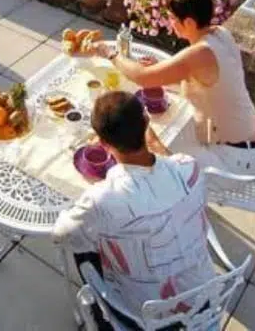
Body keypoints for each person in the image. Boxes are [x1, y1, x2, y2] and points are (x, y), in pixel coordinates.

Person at [53, 91, 214, 329]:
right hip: (204, 299)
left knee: (83, 245)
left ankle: (102, 320)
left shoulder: (101, 200)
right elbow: (167, 167)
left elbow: (60, 234)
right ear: (147, 124)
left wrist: (91, 203)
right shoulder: (189, 168)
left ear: (103, 144)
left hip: (148, 318)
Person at [96, 0, 255, 183]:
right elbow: (206, 76)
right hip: (243, 142)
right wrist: (163, 69)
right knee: (157, 132)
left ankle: (174, 205)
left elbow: (142, 77)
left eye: (173, 19)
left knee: (147, 148)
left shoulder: (201, 53)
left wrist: (110, 53)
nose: (170, 23)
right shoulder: (220, 33)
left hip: (234, 163)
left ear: (190, 22)